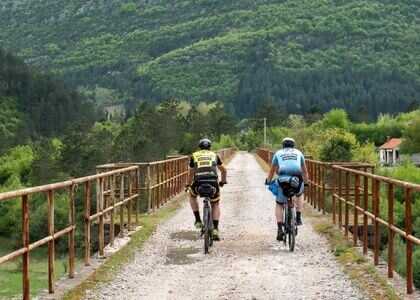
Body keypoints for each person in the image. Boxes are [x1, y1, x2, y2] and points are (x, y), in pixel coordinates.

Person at [265, 137, 309, 241]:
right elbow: (305, 171)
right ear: (293, 145)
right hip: (296, 179)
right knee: (299, 194)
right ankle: (298, 216)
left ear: (283, 145)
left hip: (283, 179)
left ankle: (280, 229)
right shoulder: (299, 153)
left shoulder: (278, 153)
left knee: (279, 203)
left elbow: (272, 171)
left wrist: (268, 181)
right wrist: (306, 182)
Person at [188, 138, 227, 241]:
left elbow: (191, 172)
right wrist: (222, 182)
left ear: (199, 147)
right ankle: (215, 229)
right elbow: (224, 170)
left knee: (192, 196)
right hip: (213, 182)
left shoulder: (194, 156)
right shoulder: (214, 155)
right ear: (210, 147)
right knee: (215, 204)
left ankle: (198, 220)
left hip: (198, 182)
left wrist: (187, 184)